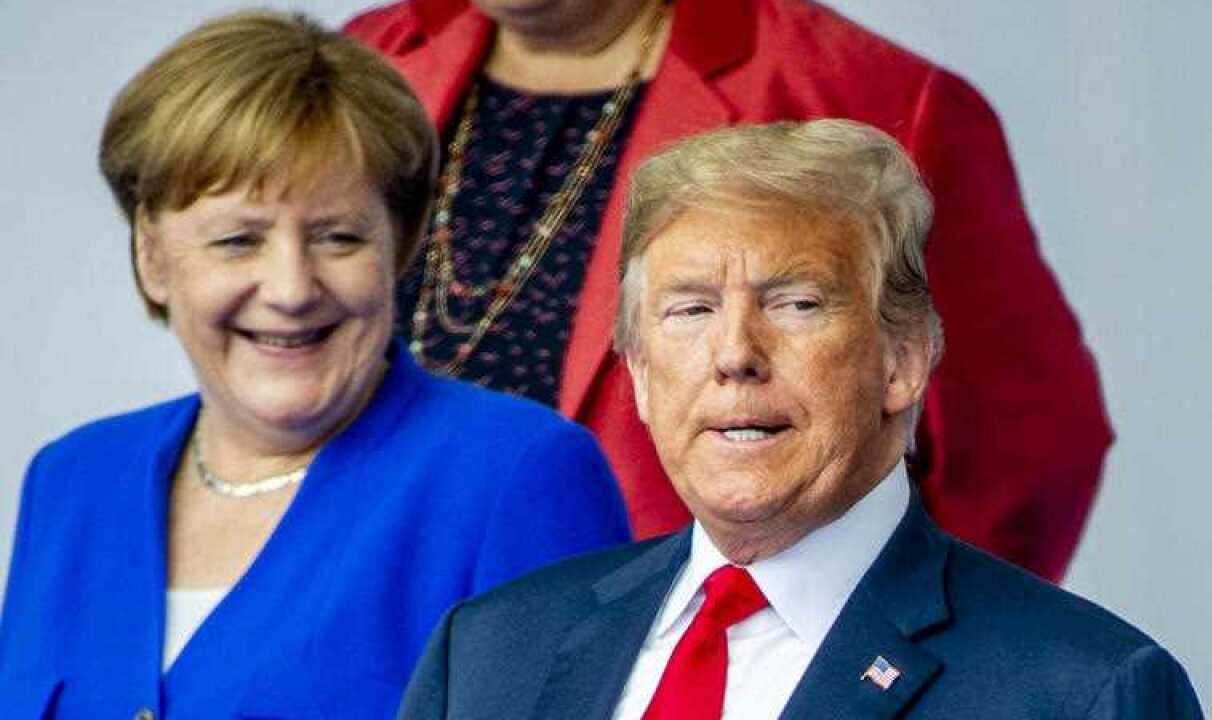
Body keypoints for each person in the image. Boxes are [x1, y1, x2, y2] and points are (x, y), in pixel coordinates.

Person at [396, 120, 1201, 719]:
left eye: (797, 303)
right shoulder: (485, 656)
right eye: (691, 310)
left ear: (903, 360)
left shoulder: (1087, 691)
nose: (735, 353)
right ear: (640, 374)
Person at [344, 0, 1113, 583]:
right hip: (379, 641)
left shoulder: (865, 92)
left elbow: (1027, 457)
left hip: (701, 662)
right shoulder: (369, 63)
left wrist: (887, 664)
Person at [0, 12, 629, 718]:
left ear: (399, 247)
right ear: (152, 257)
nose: (293, 289)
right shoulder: (72, 479)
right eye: (239, 240)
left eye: (337, 237)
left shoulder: (518, 474)